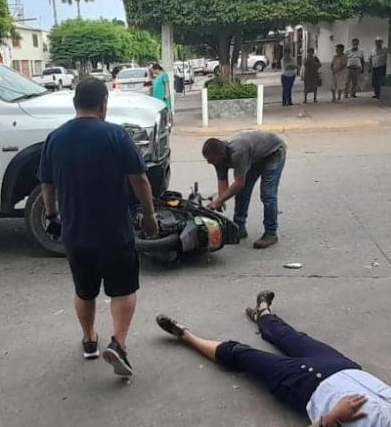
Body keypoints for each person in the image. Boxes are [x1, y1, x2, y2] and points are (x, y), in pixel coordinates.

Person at [37, 77, 159, 377]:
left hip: (75, 233)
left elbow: (47, 184)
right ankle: (118, 342)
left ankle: (90, 341)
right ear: (103, 104)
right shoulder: (114, 135)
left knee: (85, 290)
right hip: (114, 231)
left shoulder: (55, 138)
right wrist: (149, 215)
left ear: (75, 103)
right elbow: (139, 179)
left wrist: (52, 216)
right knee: (123, 289)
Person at [156, 291, 391, 427]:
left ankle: (186, 335)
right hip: (345, 368)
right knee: (289, 336)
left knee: (242, 355)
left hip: (305, 386)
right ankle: (263, 312)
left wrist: (332, 417)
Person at [202, 131, 286, 248]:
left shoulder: (238, 153)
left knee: (268, 194)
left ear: (221, 154)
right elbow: (222, 180)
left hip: (273, 153)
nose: (208, 162)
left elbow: (239, 184)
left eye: (211, 159)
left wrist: (217, 202)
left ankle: (271, 233)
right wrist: (220, 201)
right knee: (243, 192)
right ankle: (239, 228)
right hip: (254, 156)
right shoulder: (218, 159)